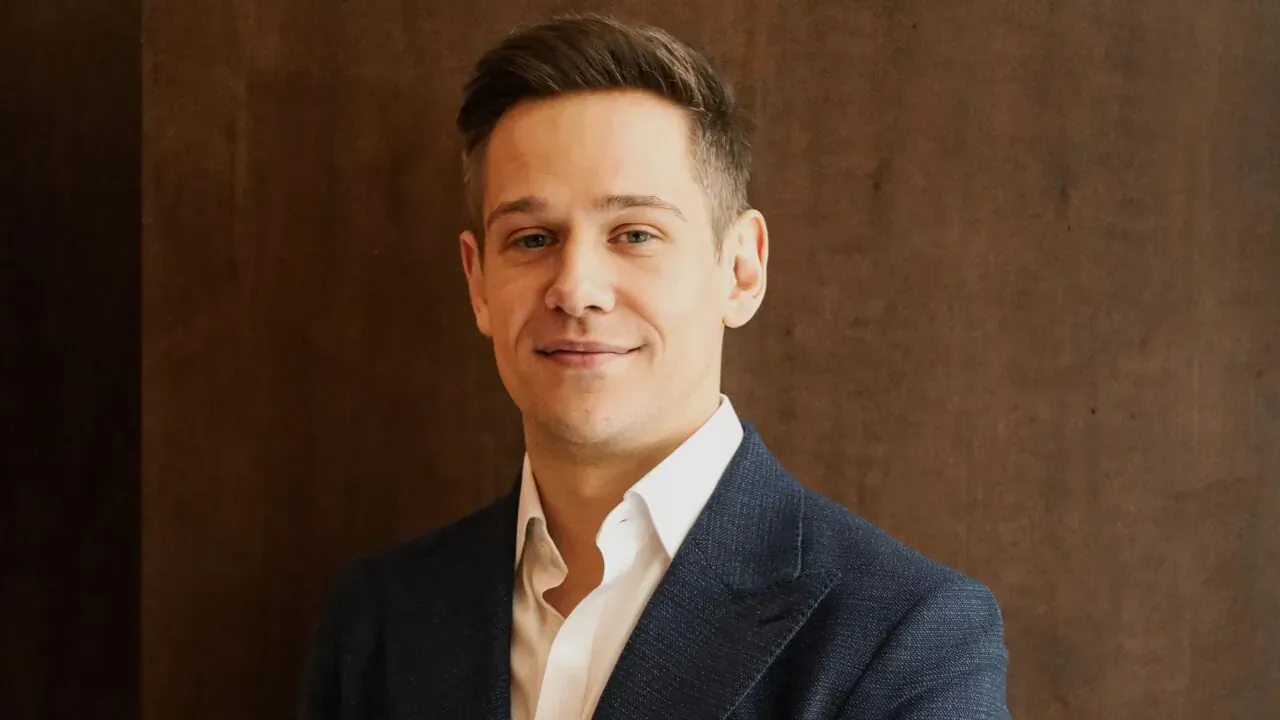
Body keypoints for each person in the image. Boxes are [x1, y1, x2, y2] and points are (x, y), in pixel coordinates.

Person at [302, 13, 1010, 720]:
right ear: (478, 282)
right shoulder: (380, 619)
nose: (576, 288)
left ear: (740, 269)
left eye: (635, 233)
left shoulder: (904, 634)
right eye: (532, 238)